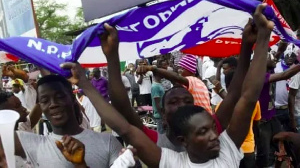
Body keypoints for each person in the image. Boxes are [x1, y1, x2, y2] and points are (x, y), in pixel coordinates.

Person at [60, 4, 274, 167]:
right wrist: (91, 80)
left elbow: (245, 96)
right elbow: (123, 123)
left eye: (211, 129)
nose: (212, 135)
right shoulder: (170, 159)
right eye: (203, 131)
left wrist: (256, 41)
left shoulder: (225, 147)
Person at [91, 12, 257, 154]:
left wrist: (247, 45)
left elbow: (234, 94)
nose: (182, 105)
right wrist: (112, 56)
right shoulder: (157, 144)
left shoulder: (213, 132)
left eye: (187, 101)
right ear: (162, 113)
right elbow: (124, 109)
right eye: (173, 101)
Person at [0, 75, 122, 168]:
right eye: (45, 100)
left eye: (60, 97)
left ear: (72, 98)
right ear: (40, 105)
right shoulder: (32, 144)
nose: (53, 104)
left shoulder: (108, 142)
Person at [255, 50, 300, 167]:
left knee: (284, 145)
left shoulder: (269, 70)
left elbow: (279, 52)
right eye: (270, 56)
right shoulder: (259, 75)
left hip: (272, 119)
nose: (275, 58)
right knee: (264, 155)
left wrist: (284, 40)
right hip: (262, 123)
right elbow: (285, 75)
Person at [215, 71, 261, 168]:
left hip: (229, 151)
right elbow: (256, 126)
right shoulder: (254, 103)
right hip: (248, 149)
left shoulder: (220, 107)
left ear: (227, 87)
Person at [274, 44, 299, 131]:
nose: (290, 58)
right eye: (288, 55)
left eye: (292, 55)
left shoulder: (296, 70)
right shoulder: (276, 67)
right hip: (276, 108)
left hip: (289, 109)